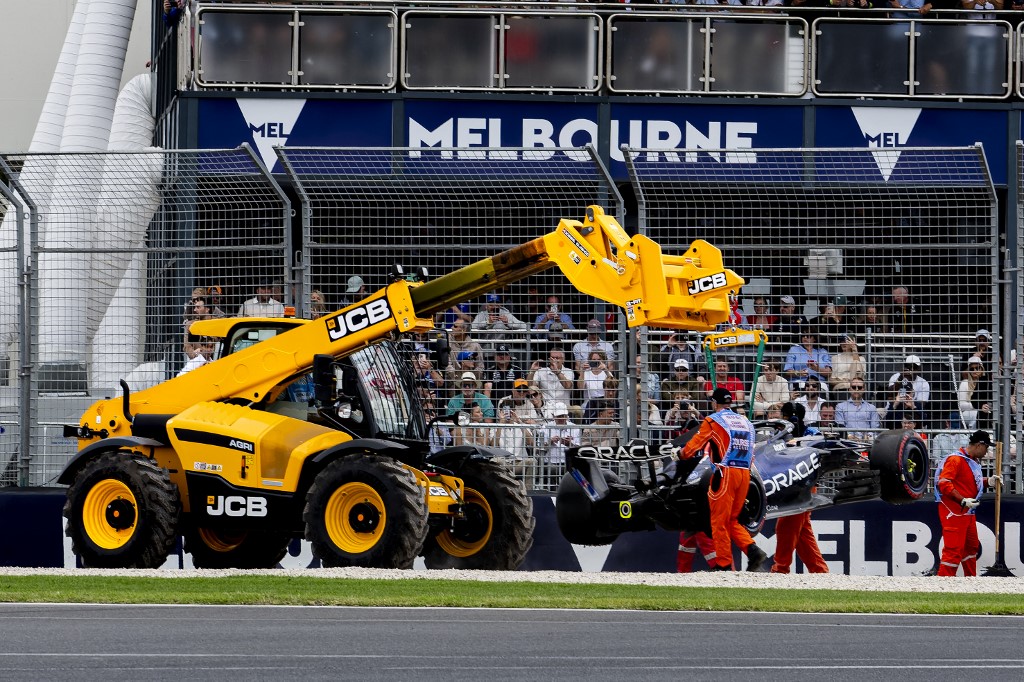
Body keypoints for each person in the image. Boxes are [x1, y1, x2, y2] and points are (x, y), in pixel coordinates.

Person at [678, 388, 769, 572]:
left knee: (718, 521)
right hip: (745, 474)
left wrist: (681, 454)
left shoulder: (713, 420)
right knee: (732, 520)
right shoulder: (746, 422)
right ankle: (753, 551)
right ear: (730, 402)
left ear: (714, 403)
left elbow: (695, 444)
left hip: (725, 473)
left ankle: (724, 564)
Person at [934, 430, 1002, 577]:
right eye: (986, 448)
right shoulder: (956, 460)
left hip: (966, 511)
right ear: (979, 445)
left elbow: (969, 483)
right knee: (953, 550)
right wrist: (962, 500)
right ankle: (942, 584)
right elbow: (944, 483)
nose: (986, 452)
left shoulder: (970, 461)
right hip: (954, 511)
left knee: (971, 547)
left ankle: (970, 580)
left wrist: (988, 482)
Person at [885, 355, 930, 426]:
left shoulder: (923, 383)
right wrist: (901, 378)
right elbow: (889, 395)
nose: (911, 369)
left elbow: (921, 406)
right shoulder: (896, 377)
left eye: (914, 367)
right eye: (908, 366)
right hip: (895, 407)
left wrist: (912, 405)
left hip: (912, 412)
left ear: (918, 369)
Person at [958, 355, 992, 429]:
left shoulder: (987, 383)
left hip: (984, 410)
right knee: (976, 414)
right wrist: (978, 406)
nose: (974, 371)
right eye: (972, 369)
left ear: (982, 369)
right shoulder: (965, 383)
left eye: (977, 368)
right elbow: (961, 405)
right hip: (968, 412)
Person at [578, 350, 610, 422]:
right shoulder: (586, 373)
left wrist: (606, 370)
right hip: (588, 405)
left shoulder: (606, 373)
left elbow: (613, 385)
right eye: (594, 360)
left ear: (603, 361)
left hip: (604, 405)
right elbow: (580, 388)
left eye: (599, 360)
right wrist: (582, 371)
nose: (596, 362)